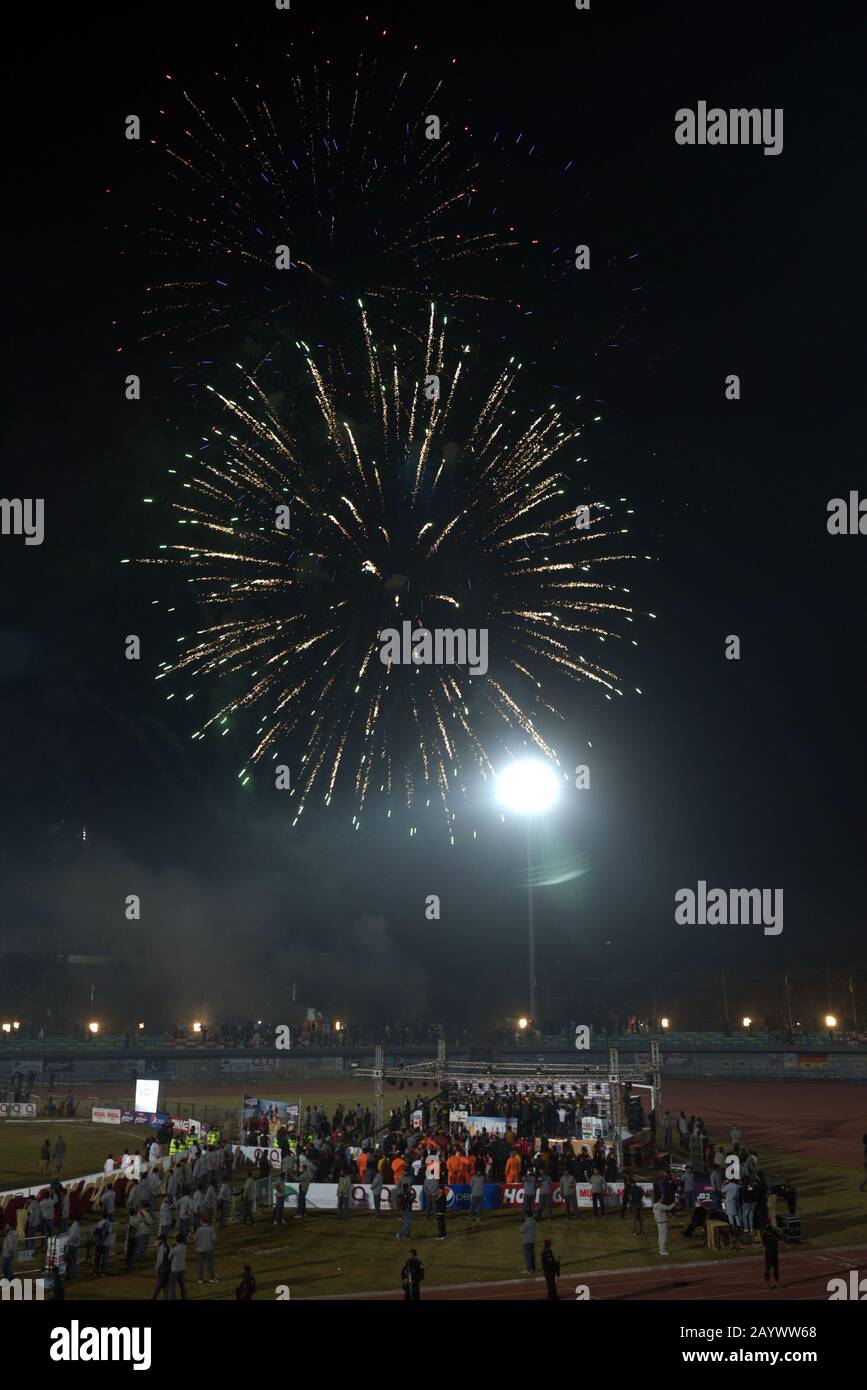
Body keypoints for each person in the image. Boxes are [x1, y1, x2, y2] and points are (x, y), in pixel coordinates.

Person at [194, 1216, 217, 1283]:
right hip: (209, 1248)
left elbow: (194, 1239)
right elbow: (214, 1239)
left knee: (200, 1265)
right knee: (209, 1264)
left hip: (199, 1249)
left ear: (202, 1222)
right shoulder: (211, 1229)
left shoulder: (198, 1230)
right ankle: (211, 1278)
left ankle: (200, 1279)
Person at [761, 1220, 781, 1288]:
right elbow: (764, 1242)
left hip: (774, 1251)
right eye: (767, 1223)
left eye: (769, 1223)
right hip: (768, 1251)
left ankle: (777, 1283)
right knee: (767, 1269)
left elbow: (778, 1237)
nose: (768, 1224)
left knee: (776, 1268)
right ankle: (767, 1284)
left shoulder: (773, 1230)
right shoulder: (764, 1232)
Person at [151, 1235, 171, 1300]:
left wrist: (155, 1269)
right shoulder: (169, 1246)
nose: (157, 1241)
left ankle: (153, 1298)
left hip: (162, 1269)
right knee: (166, 1285)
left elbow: (160, 1260)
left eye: (158, 1240)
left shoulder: (161, 1248)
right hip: (168, 1269)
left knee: (158, 1285)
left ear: (162, 1240)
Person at [169, 1235, 188, 1300]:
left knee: (173, 1286)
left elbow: (169, 1257)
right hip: (182, 1268)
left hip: (175, 1269)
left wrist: (171, 1248)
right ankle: (184, 1297)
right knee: (182, 1285)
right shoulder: (185, 1247)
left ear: (176, 1240)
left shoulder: (174, 1249)